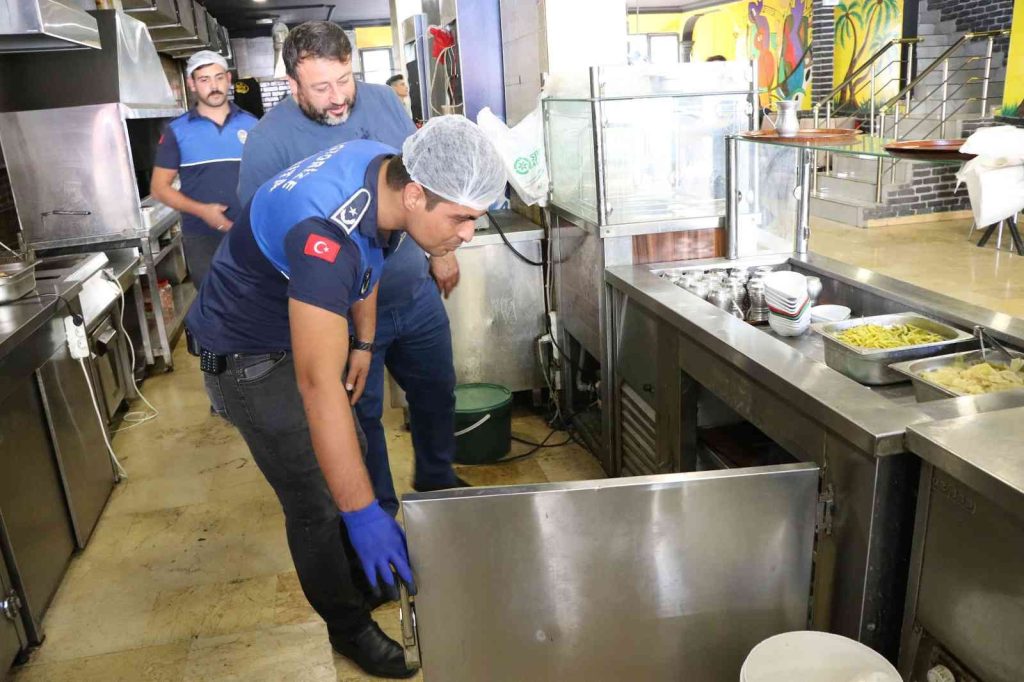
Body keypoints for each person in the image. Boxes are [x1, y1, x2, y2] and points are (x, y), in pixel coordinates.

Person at [186, 116, 507, 678]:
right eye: (461, 218)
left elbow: (370, 254)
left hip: (298, 324)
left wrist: (362, 340)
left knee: (352, 448)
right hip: (249, 356)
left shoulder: (381, 164)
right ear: (414, 195)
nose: (467, 234)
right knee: (315, 498)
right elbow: (316, 386)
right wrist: (362, 514)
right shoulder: (323, 239)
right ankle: (347, 625)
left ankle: (359, 573)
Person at [238, 21, 467, 519]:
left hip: (412, 291)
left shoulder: (381, 101)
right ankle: (380, 516)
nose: (339, 98)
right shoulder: (266, 142)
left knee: (437, 393)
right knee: (361, 421)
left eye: (345, 80)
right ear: (292, 83)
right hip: (339, 314)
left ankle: (438, 485)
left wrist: (440, 250)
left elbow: (421, 179)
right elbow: (260, 243)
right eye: (321, 88)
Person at [151, 51, 258, 286]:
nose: (214, 86)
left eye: (219, 77)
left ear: (229, 79)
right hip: (202, 237)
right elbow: (159, 188)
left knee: (256, 303)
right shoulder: (176, 131)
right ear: (191, 84)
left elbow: (266, 177)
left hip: (248, 231)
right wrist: (203, 211)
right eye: (204, 79)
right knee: (213, 306)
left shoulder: (253, 125)